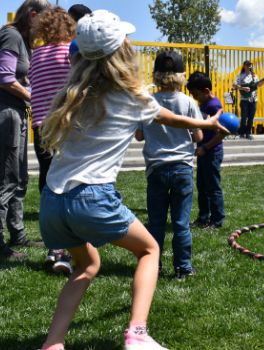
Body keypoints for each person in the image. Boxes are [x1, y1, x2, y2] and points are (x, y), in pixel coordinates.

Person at [38, 10, 227, 350]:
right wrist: (209, 125)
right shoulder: (133, 95)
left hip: (51, 202)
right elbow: (172, 119)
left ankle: (53, 343)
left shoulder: (72, 92)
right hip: (92, 197)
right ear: (122, 48)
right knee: (150, 249)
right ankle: (137, 334)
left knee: (88, 264)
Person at [134, 50, 205, 279]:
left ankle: (153, 266)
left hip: (156, 168)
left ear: (156, 75)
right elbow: (198, 137)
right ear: (181, 76)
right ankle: (183, 267)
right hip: (182, 167)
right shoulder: (188, 102)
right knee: (180, 223)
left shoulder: (148, 103)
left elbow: (138, 135)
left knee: (155, 222)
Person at [0, 0, 51, 260]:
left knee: (19, 177)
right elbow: (5, 77)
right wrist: (36, 97)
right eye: (46, 18)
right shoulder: (10, 35)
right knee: (6, 180)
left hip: (17, 114)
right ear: (33, 15)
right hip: (6, 114)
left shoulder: (25, 42)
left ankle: (18, 234)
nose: (49, 25)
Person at [29, 6, 75, 274]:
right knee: (68, 188)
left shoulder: (36, 55)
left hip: (41, 129)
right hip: (66, 129)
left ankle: (52, 246)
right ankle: (66, 251)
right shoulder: (70, 53)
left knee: (49, 187)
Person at [187, 71, 226, 229]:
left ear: (206, 91)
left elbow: (221, 133)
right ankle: (203, 218)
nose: (195, 98)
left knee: (213, 187)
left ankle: (217, 220)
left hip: (212, 152)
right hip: (203, 152)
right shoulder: (203, 104)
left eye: (196, 94)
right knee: (202, 187)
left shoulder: (214, 105)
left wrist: (205, 147)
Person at [232, 60, 264, 139]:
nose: (249, 66)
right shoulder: (240, 76)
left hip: (254, 99)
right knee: (244, 117)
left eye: (250, 65)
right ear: (244, 66)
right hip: (244, 99)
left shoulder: (254, 76)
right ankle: (242, 132)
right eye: (247, 65)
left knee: (251, 117)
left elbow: (258, 85)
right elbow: (234, 85)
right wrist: (242, 88)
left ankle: (248, 133)